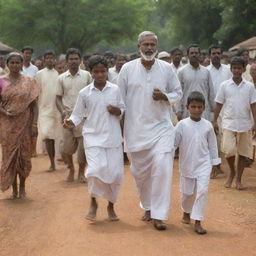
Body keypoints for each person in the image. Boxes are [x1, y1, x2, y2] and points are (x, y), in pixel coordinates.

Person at [118, 31, 182, 230]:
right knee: (141, 174)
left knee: (163, 169)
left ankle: (159, 214)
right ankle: (147, 206)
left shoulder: (167, 69)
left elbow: (178, 92)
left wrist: (165, 96)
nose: (149, 48)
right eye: (145, 44)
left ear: (156, 46)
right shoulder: (127, 70)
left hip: (162, 128)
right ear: (139, 47)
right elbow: (119, 101)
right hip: (135, 131)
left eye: (152, 45)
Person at [63, 55, 125, 221]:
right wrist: (69, 122)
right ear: (90, 73)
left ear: (106, 72)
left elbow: (123, 110)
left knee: (115, 173)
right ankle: (93, 202)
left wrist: (117, 111)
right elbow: (77, 115)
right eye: (96, 71)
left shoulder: (115, 89)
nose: (99, 74)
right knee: (95, 170)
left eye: (102, 71)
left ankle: (111, 206)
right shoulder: (85, 93)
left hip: (112, 138)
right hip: (93, 138)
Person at [174, 91, 220, 234]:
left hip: (203, 164)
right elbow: (173, 144)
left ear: (204, 108)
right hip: (187, 164)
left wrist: (215, 163)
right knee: (187, 193)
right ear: (188, 107)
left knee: (202, 191)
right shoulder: (181, 125)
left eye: (199, 107)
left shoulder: (207, 126)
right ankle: (186, 211)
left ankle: (198, 221)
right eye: (193, 107)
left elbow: (212, 145)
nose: (196, 110)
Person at [0, 52, 40, 198]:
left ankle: (22, 187)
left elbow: (34, 105)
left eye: (18, 63)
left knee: (23, 156)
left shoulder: (29, 82)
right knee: (9, 157)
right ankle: (14, 190)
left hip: (25, 124)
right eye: (12, 63)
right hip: (7, 125)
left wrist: (34, 124)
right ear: (7, 64)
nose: (15, 65)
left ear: (21, 64)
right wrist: (5, 112)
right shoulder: (1, 81)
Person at [214, 57, 256, 190]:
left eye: (239, 68)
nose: (237, 70)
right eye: (234, 68)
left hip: (245, 123)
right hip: (228, 122)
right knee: (229, 150)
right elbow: (219, 104)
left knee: (243, 152)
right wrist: (214, 120)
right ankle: (232, 171)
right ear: (231, 69)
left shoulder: (249, 87)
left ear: (244, 69)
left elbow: (253, 105)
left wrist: (255, 122)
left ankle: (238, 179)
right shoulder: (224, 85)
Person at [56, 48, 92, 182]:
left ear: (80, 60)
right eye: (71, 59)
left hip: (84, 115)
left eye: (76, 58)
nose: (73, 61)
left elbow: (92, 94)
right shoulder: (61, 78)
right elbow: (58, 98)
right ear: (67, 61)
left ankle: (81, 172)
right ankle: (71, 168)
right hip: (68, 115)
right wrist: (62, 112)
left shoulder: (87, 75)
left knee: (83, 146)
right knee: (67, 147)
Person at [207, 45, 232, 178]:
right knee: (213, 138)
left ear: (221, 55)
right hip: (211, 109)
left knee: (224, 137)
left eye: (218, 53)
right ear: (209, 56)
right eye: (213, 53)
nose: (216, 55)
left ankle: (222, 164)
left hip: (227, 109)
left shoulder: (228, 70)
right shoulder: (206, 71)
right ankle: (214, 166)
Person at [36, 50, 62, 171]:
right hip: (44, 109)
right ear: (44, 60)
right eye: (47, 58)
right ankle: (52, 163)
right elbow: (37, 91)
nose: (49, 60)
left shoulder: (59, 74)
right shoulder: (40, 74)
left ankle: (62, 159)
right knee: (47, 135)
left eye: (52, 58)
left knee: (58, 136)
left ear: (54, 59)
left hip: (58, 109)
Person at [177, 44, 215, 121]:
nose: (194, 55)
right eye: (192, 53)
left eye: (196, 53)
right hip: (187, 110)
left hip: (204, 110)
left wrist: (213, 110)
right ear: (188, 55)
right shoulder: (181, 71)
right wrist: (179, 110)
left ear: (199, 55)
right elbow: (178, 92)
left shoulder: (206, 71)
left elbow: (211, 92)